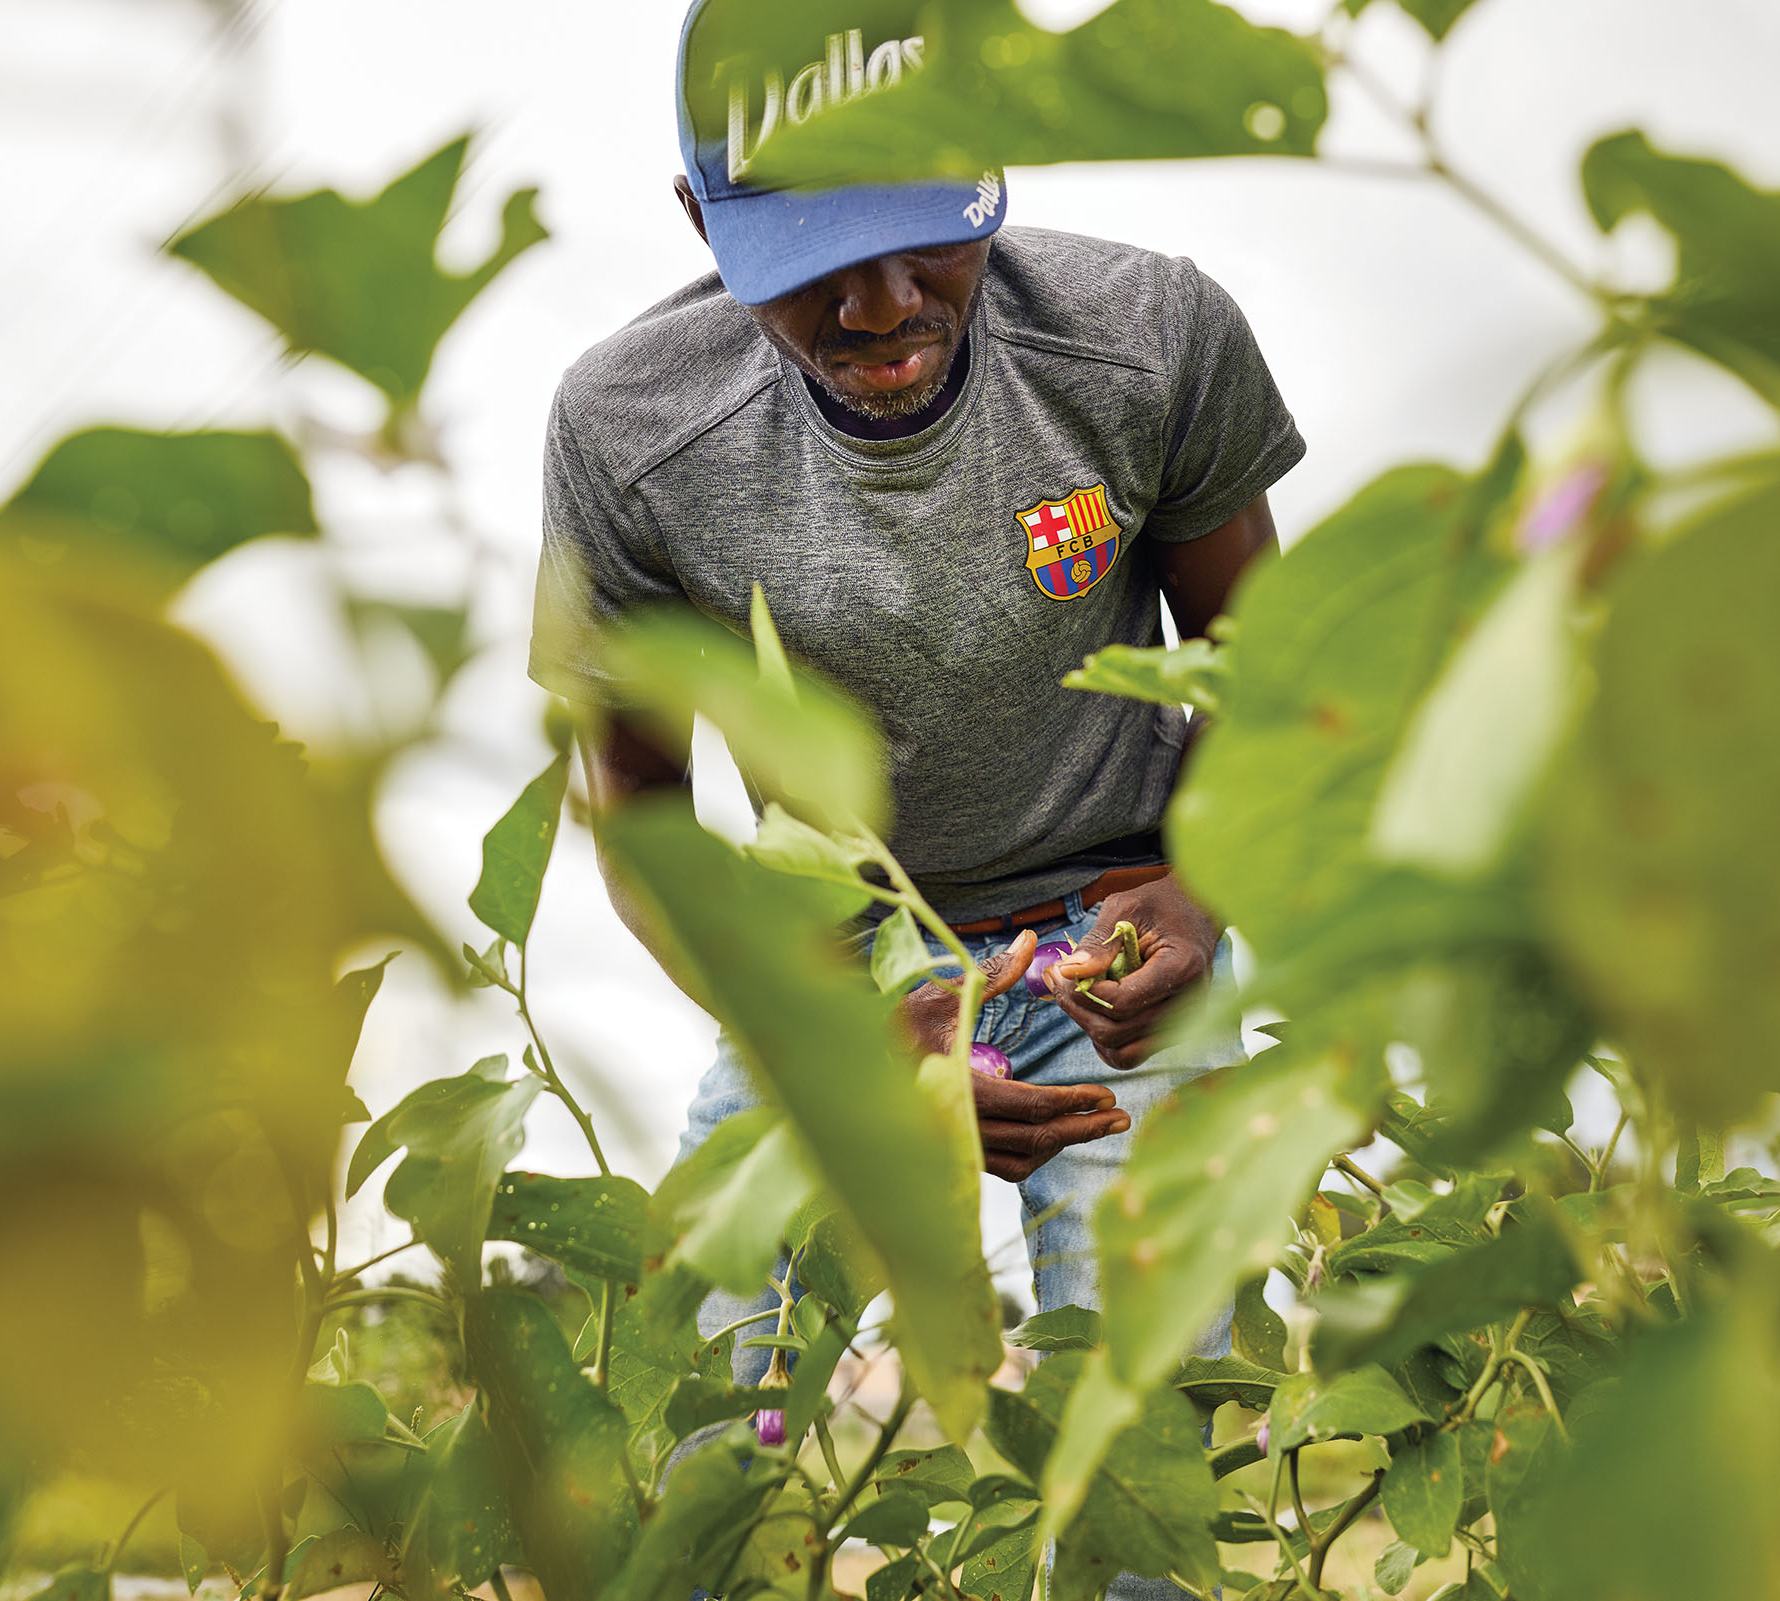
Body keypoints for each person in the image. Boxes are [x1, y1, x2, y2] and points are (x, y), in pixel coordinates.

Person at [530, 5, 1301, 1584]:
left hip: (1115, 960)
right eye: (817, 253)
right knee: (704, 1430)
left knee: (1139, 1484)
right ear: (704, 223)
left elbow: (1264, 669)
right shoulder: (630, 434)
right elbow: (643, 816)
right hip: (843, 974)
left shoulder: (1147, 340)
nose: (884, 305)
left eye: (924, 233)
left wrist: (1204, 886)